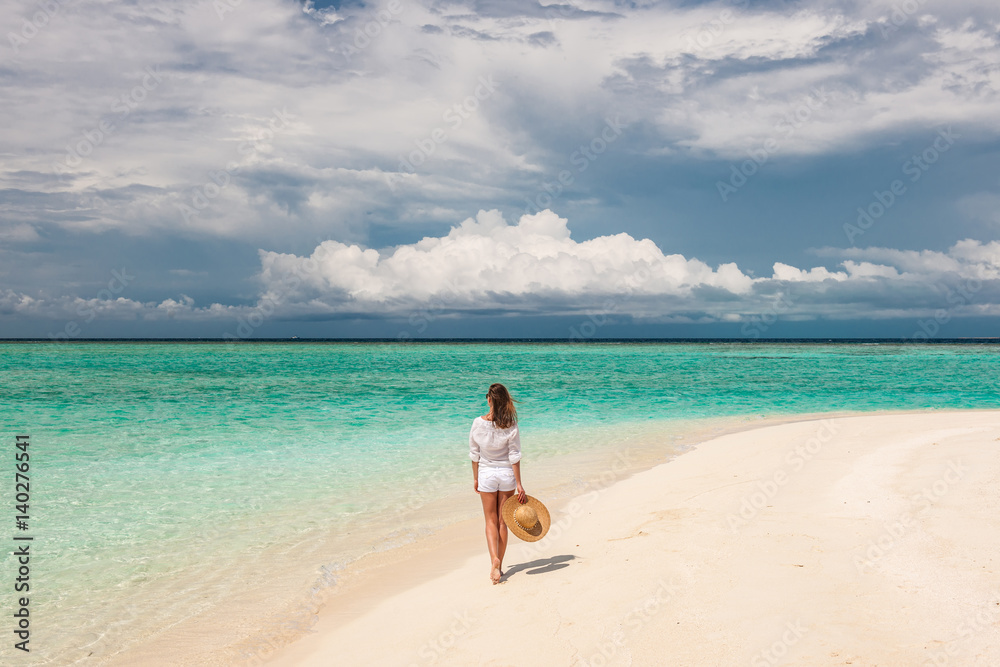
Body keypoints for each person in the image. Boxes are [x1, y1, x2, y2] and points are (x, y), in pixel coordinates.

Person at [469, 383, 527, 584]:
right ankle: (499, 565)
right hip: (506, 476)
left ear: (489, 399)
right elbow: (514, 456)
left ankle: (493, 558)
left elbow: (474, 454)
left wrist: (475, 477)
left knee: (490, 521)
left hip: (486, 474)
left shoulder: (477, 422)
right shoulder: (511, 424)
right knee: (503, 522)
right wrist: (519, 484)